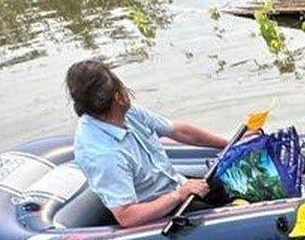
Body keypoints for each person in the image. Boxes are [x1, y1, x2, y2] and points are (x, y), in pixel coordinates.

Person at [66, 59, 236, 228]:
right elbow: (126, 216)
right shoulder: (103, 154)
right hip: (162, 212)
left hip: (177, 184)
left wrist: (229, 144)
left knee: (235, 183)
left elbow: (177, 131)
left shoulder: (128, 112)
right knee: (228, 219)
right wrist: (178, 195)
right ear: (118, 96)